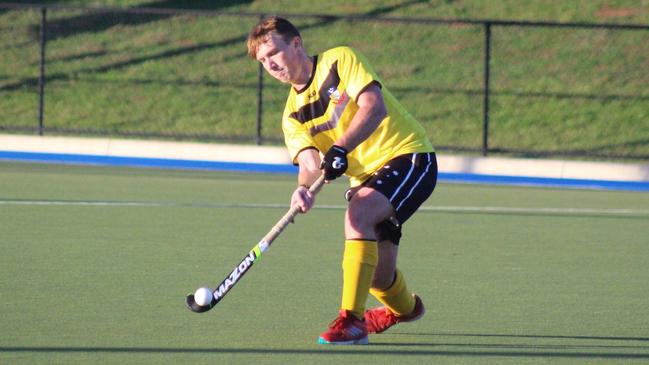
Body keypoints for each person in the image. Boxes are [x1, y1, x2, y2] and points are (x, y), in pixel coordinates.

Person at [247, 16, 437, 345]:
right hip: (366, 179)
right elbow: (308, 163)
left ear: (296, 43)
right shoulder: (292, 115)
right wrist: (302, 191)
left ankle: (351, 320)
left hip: (408, 156)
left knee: (358, 214)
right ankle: (404, 309)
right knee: (378, 278)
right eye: (262, 61)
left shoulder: (339, 60)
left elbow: (374, 108)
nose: (270, 64)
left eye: (273, 53)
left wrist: (340, 147)